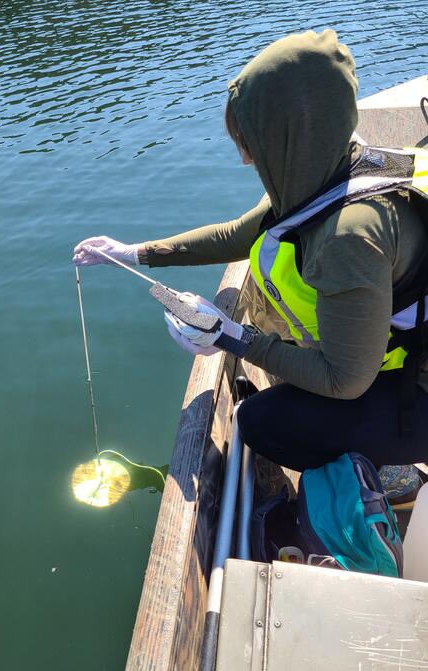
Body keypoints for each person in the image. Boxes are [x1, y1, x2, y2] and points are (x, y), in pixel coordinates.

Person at [73, 30, 428, 474]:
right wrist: (131, 253)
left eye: (252, 144)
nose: (246, 159)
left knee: (263, 422)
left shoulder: (349, 236)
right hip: (382, 364)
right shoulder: (333, 170)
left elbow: (344, 380)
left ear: (291, 136)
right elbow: (231, 237)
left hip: (416, 387)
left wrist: (229, 336)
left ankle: (391, 473)